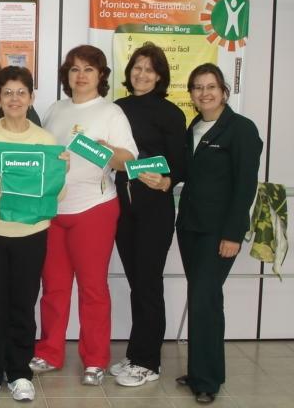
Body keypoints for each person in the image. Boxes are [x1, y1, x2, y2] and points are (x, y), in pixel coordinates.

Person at [31, 45, 137, 385]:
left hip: (94, 209)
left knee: (92, 288)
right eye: (75, 69)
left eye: (89, 69)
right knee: (53, 287)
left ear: (100, 75)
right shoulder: (55, 109)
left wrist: (108, 152)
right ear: (67, 74)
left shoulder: (111, 112)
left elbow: (128, 161)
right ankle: (49, 352)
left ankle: (95, 359)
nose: (81, 75)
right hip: (54, 210)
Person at [0, 66, 68, 403]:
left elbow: (56, 196)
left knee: (22, 305)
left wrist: (61, 173)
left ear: (31, 97)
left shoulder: (45, 140)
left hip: (31, 234)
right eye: (7, 93)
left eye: (21, 92)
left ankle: (20, 373)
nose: (14, 99)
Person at [175, 63, 262, 404]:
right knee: (204, 299)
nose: (204, 93)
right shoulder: (195, 126)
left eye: (210, 86)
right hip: (190, 228)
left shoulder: (241, 129)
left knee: (204, 299)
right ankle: (202, 370)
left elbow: (245, 186)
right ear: (192, 94)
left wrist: (233, 234)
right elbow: (186, 172)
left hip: (219, 231)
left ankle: (207, 381)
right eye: (198, 87)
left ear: (223, 91)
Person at [109, 42, 186, 386]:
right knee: (136, 283)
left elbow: (181, 163)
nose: (142, 74)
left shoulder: (171, 113)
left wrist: (168, 180)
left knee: (148, 284)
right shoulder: (117, 108)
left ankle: (148, 362)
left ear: (159, 77)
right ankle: (136, 353)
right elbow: (110, 156)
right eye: (137, 68)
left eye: (150, 70)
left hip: (154, 207)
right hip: (123, 206)